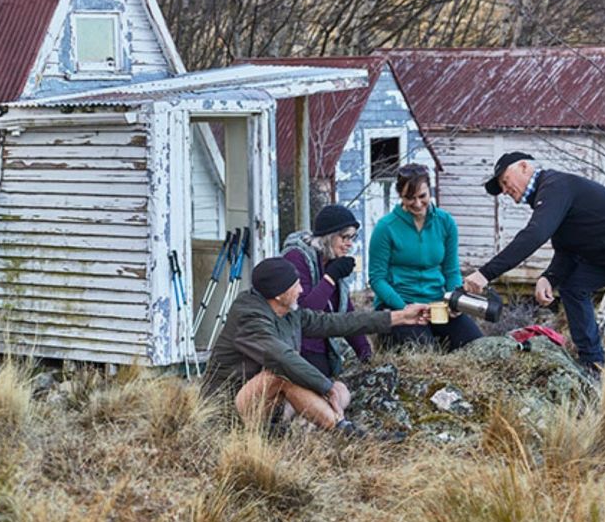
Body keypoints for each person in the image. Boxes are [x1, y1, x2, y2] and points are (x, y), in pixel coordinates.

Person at [463, 152, 605, 390]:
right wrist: (549, 277)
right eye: (501, 187)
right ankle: (593, 364)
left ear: (523, 167)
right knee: (573, 287)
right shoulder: (548, 199)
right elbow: (567, 251)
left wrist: (485, 273)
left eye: (505, 181)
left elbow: (535, 234)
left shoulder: (555, 186)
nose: (505, 189)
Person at [202, 257, 429, 434]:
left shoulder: (289, 313)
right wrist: (323, 387)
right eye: (296, 285)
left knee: (340, 388)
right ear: (280, 294)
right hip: (228, 411)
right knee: (281, 375)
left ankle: (315, 424)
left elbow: (338, 322)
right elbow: (281, 357)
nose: (302, 290)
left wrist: (401, 317)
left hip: (269, 406)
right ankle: (344, 431)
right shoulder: (249, 317)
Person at [368, 163, 483, 351]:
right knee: (425, 351)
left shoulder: (446, 222)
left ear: (430, 191)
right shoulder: (385, 228)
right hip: (400, 304)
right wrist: (404, 308)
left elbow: (451, 270)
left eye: (422, 196)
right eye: (409, 198)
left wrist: (454, 301)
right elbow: (377, 279)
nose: (417, 203)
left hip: (438, 304)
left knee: (475, 346)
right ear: (400, 196)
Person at [282, 204, 370, 378]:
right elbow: (304, 314)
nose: (350, 244)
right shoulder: (296, 257)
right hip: (296, 346)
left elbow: (345, 311)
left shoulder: (331, 259)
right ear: (328, 237)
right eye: (345, 237)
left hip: (323, 347)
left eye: (352, 237)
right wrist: (330, 278)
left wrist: (365, 353)